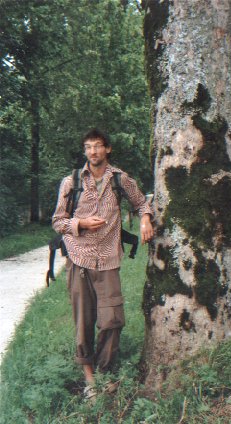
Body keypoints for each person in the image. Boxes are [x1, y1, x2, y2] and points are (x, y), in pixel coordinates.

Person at [52, 128, 154, 396]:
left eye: (97, 146)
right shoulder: (71, 181)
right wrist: (81, 223)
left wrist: (145, 219)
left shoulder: (121, 179)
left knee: (112, 320)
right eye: (88, 147)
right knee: (84, 322)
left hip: (108, 259)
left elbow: (142, 203)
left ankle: (105, 373)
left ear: (108, 149)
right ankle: (90, 383)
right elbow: (57, 221)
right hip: (79, 259)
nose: (93, 152)